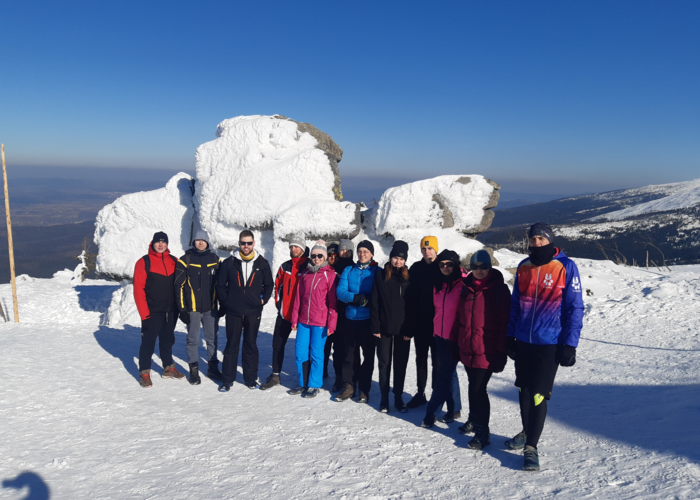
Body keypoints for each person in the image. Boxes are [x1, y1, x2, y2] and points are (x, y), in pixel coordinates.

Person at [505, 222, 584, 471]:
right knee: (523, 391)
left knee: (538, 393)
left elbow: (575, 308)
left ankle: (531, 447)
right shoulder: (524, 266)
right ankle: (528, 432)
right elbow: (516, 303)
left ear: (550, 239)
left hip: (549, 342)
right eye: (533, 239)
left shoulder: (566, 266)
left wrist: (570, 344)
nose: (537, 243)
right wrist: (510, 335)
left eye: (541, 238)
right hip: (523, 340)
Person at [454, 250, 510, 450]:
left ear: (490, 267)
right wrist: (456, 342)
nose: (478, 271)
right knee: (472, 385)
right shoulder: (466, 288)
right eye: (474, 267)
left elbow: (505, 324)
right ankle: (473, 419)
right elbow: (460, 317)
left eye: (483, 267)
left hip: (487, 350)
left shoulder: (499, 290)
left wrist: (501, 353)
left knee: (479, 389)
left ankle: (482, 433)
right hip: (467, 347)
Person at [405, 236, 461, 411]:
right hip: (421, 324)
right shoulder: (416, 268)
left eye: (430, 249)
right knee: (420, 360)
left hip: (439, 327)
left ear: (435, 250)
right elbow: (411, 299)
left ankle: (439, 396)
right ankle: (420, 393)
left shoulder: (443, 268)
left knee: (439, 364)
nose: (427, 251)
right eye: (424, 249)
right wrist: (410, 325)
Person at [216, 230, 273, 392]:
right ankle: (227, 380)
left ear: (254, 243)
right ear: (239, 243)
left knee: (250, 345)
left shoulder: (262, 263)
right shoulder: (228, 263)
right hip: (233, 311)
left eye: (249, 243)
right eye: (243, 243)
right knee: (231, 345)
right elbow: (220, 285)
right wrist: (227, 303)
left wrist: (263, 300)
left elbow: (269, 284)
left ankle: (250, 379)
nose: (246, 246)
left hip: (253, 311)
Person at [133, 231, 185, 388]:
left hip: (171, 311)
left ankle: (168, 368)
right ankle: (144, 373)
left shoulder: (174, 261)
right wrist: (144, 314)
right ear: (152, 243)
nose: (161, 245)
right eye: (158, 242)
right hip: (152, 311)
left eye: (164, 242)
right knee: (148, 342)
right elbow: (138, 290)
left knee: (168, 340)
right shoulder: (144, 262)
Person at [420, 250, 465, 428]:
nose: (445, 268)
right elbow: (438, 310)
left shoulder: (463, 284)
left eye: (449, 264)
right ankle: (455, 408)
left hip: (454, 338)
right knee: (449, 372)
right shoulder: (438, 285)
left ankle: (432, 412)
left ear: (455, 264)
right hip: (439, 334)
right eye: (442, 264)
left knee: (444, 374)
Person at [289, 241, 338, 397]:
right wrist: (295, 319)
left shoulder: (330, 274)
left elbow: (333, 302)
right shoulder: (305, 274)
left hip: (320, 322)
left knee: (317, 353)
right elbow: (298, 298)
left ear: (324, 257)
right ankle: (303, 383)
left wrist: (331, 324)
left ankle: (314, 384)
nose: (316, 258)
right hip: (304, 320)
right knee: (300, 352)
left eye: (320, 256)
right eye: (314, 256)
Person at [260, 234, 308, 391]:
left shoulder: (309, 266)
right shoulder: (285, 266)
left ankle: (306, 380)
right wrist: (278, 305)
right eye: (292, 246)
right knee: (277, 345)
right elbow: (277, 286)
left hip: (302, 316)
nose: (294, 249)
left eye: (297, 247)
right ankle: (275, 375)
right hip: (285, 314)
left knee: (303, 348)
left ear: (302, 248)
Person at [174, 229, 222, 385]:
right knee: (193, 340)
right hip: (192, 309)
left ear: (207, 242)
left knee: (212, 339)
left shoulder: (215, 260)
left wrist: (223, 304)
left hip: (211, 308)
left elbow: (222, 284)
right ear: (193, 242)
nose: (200, 243)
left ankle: (213, 369)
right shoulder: (185, 260)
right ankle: (193, 371)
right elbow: (178, 286)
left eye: (203, 240)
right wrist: (182, 309)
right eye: (197, 240)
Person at [370, 240, 411, 413]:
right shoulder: (381, 275)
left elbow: (412, 305)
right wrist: (375, 326)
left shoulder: (408, 277)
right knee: (384, 363)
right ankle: (385, 399)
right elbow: (374, 301)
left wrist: (410, 329)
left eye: (401, 259)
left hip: (403, 329)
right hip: (384, 328)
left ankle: (398, 398)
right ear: (391, 257)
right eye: (395, 257)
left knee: (400, 364)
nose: (398, 261)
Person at [334, 240, 378, 402]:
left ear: (372, 254)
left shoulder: (377, 271)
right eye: (360, 251)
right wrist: (358, 298)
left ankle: (364, 389)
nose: (362, 254)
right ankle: (348, 385)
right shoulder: (349, 270)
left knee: (368, 356)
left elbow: (377, 295)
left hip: (368, 321)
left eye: (366, 251)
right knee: (349, 355)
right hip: (350, 319)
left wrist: (368, 301)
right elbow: (341, 292)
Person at [326, 239, 355, 393]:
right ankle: (339, 377)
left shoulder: (354, 267)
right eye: (342, 250)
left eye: (347, 250)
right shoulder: (333, 268)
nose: (344, 252)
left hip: (350, 312)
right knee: (337, 347)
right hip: (336, 312)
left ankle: (349, 378)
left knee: (349, 348)